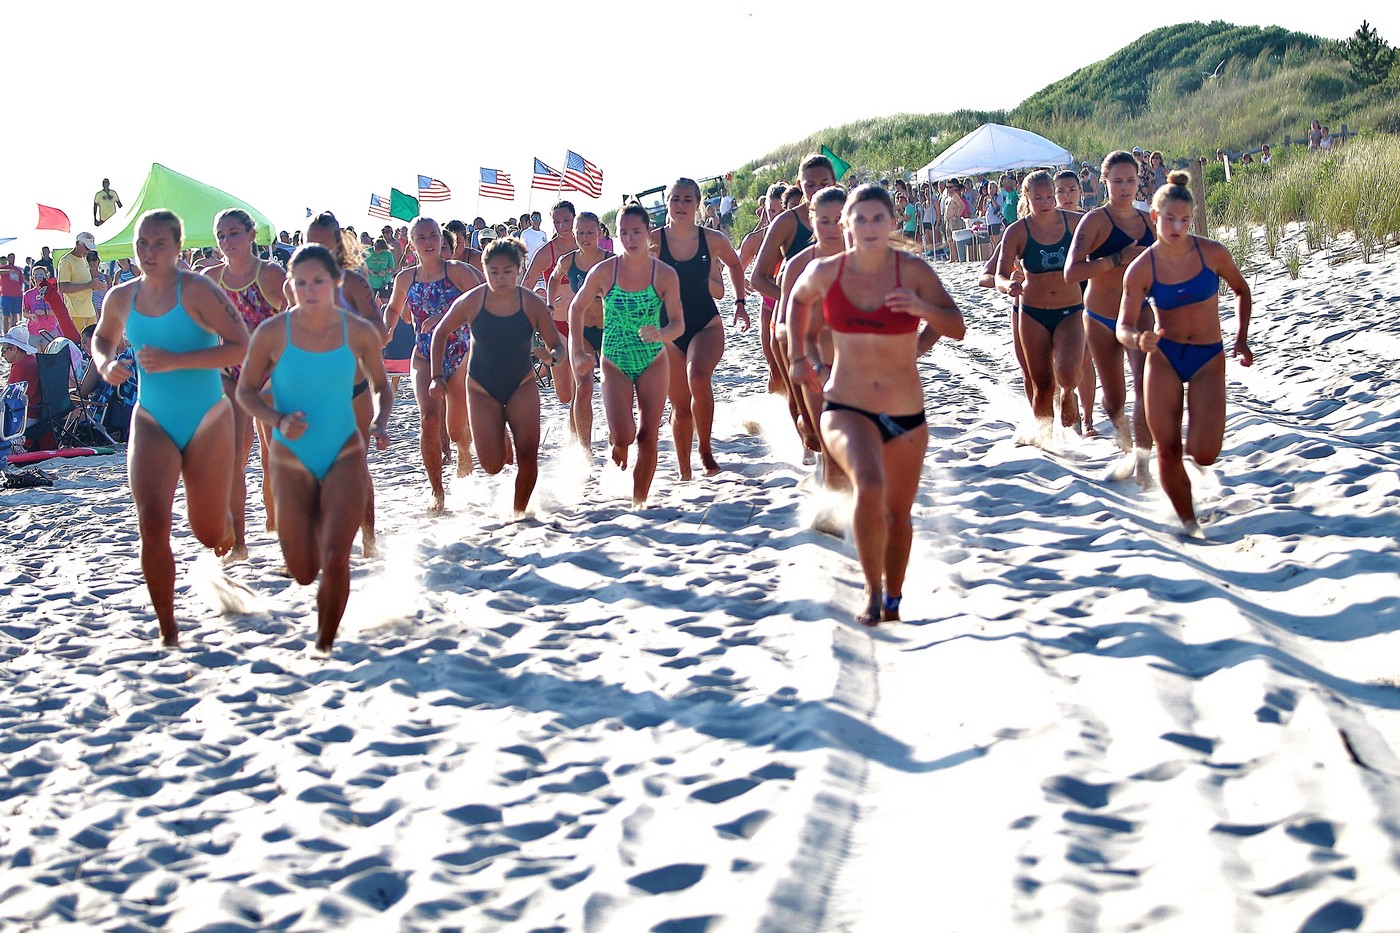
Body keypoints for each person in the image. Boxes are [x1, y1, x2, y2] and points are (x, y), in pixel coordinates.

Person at [788, 184, 965, 625]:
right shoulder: (828, 271)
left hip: (906, 412)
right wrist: (799, 355)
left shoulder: (914, 271)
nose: (868, 227)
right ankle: (870, 591)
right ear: (846, 224)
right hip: (846, 405)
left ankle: (893, 598)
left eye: (877, 219)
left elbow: (956, 325)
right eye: (860, 219)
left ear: (892, 223)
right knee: (868, 484)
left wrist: (921, 310)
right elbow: (797, 300)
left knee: (898, 515)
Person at [91, 210, 250, 647]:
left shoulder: (198, 291)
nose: (148, 252)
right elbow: (103, 337)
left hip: (208, 419)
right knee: (153, 520)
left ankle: (228, 529)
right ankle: (168, 630)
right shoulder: (122, 297)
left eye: (159, 244)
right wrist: (106, 363)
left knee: (208, 534)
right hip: (152, 417)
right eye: (143, 243)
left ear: (178, 248)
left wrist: (177, 361)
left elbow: (241, 346)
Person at [236, 245, 392, 654]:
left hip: (343, 450)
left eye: (318, 281)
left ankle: (324, 645)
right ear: (290, 286)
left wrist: (379, 420)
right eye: (301, 282)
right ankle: (318, 525)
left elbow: (382, 385)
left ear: (336, 283)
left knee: (338, 556)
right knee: (304, 571)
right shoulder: (272, 333)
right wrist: (278, 420)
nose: (309, 290)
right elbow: (246, 392)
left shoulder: (358, 331)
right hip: (291, 456)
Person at [1118, 171, 1252, 536]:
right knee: (1168, 448)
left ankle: (1192, 481)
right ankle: (1189, 523)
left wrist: (1241, 337)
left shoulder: (1211, 253)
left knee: (1205, 453)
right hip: (1164, 357)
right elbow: (1123, 326)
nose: (1178, 226)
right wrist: (1137, 339)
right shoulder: (1142, 267)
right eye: (1170, 219)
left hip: (1208, 356)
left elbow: (1241, 290)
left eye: (1185, 220)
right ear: (1154, 218)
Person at [429, 237, 563, 515]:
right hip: (481, 388)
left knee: (527, 455)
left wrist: (553, 358)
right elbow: (440, 333)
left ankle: (518, 513)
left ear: (518, 270)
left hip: (522, 385)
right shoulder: (473, 300)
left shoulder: (531, 303)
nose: (501, 278)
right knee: (492, 465)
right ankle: (499, 429)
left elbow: (557, 346)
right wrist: (436, 376)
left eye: (507, 272)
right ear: (485, 269)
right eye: (494, 272)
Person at [567, 203, 684, 506]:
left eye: (636, 232)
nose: (630, 239)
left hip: (653, 361)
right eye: (624, 233)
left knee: (647, 435)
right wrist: (577, 351)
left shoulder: (664, 274)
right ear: (616, 235)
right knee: (623, 436)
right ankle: (618, 447)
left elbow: (678, 323)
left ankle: (639, 503)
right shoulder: (605, 271)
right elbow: (576, 308)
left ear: (648, 233)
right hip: (615, 361)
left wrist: (662, 334)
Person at [651, 177, 751, 479]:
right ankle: (684, 469)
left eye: (687, 200)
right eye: (675, 199)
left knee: (698, 376)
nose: (680, 205)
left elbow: (735, 264)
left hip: (705, 324)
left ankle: (705, 450)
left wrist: (740, 302)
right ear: (667, 203)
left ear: (697, 204)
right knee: (680, 405)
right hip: (668, 330)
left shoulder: (712, 239)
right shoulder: (653, 241)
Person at [384, 217, 484, 514]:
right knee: (428, 419)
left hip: (459, 352)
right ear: (411, 243)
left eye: (433, 236)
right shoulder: (406, 277)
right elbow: (393, 307)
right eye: (421, 237)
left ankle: (464, 452)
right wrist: (386, 329)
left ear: (441, 239)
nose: (428, 242)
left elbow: (483, 301)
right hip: (424, 355)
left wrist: (445, 317)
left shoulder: (457, 271)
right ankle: (437, 491)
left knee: (455, 429)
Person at [205, 208, 288, 560]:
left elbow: (293, 319)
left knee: (274, 456)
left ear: (252, 235)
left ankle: (279, 524)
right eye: (221, 235)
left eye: (234, 233)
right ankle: (239, 541)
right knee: (235, 457)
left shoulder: (270, 274)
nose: (227, 241)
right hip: (230, 372)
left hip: (271, 371)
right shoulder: (210, 277)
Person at [303, 212, 387, 555]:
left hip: (352, 389)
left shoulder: (352, 282)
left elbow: (379, 331)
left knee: (355, 468)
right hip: (310, 390)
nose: (316, 248)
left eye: (323, 242)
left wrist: (345, 327)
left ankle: (368, 539)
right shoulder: (294, 284)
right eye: (311, 242)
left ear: (337, 244)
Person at [1066, 150, 1156, 456]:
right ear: (1105, 182)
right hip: (1101, 316)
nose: (1125, 187)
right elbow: (1071, 272)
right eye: (1117, 181)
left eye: (1130, 180)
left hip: (1138, 312)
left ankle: (1143, 451)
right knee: (1115, 397)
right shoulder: (1094, 221)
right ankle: (1122, 436)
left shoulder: (1148, 220)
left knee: (1146, 381)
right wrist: (1116, 259)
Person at [996, 171, 1086, 443]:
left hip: (1071, 310)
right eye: (1038, 198)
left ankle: (1069, 395)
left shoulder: (1076, 222)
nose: (1046, 202)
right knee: (1043, 385)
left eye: (1050, 196)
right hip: (1032, 313)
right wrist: (1008, 285)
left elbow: (1105, 238)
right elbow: (999, 274)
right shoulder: (1017, 231)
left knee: (1069, 374)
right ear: (1026, 198)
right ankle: (1045, 440)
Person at [776, 185, 849, 479]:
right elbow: (781, 325)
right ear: (811, 220)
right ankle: (832, 513)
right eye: (824, 221)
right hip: (816, 365)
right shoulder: (798, 265)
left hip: (860, 365)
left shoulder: (866, 258)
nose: (832, 228)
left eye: (839, 219)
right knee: (829, 448)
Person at [753, 157, 838, 394]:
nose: (818, 190)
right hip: (793, 321)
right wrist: (794, 298)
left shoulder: (850, 214)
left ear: (835, 182)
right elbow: (757, 278)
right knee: (800, 406)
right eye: (810, 185)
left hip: (839, 317)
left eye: (824, 183)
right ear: (799, 185)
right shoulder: (786, 222)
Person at [549, 212, 612, 452]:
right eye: (581, 232)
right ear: (574, 234)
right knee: (583, 385)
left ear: (599, 233)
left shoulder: (610, 260)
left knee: (614, 385)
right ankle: (584, 450)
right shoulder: (568, 261)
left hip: (609, 329)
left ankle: (617, 438)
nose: (585, 237)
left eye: (590, 232)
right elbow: (554, 279)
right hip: (581, 329)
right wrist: (549, 303)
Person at [57, 232, 104, 334]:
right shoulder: (66, 260)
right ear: (78, 244)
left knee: (91, 346)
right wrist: (89, 285)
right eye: (86, 248)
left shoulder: (84, 259)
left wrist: (95, 285)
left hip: (90, 312)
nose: (88, 251)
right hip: (75, 314)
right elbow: (62, 287)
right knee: (79, 346)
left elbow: (86, 284)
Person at [1, 255, 23, 331]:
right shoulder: (4, 267)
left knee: (15, 315)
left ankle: (12, 332)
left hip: (17, 295)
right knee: (6, 315)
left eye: (13, 258)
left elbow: (21, 282)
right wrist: (9, 271)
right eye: (10, 258)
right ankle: (6, 333)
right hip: (6, 295)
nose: (12, 259)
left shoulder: (18, 270)